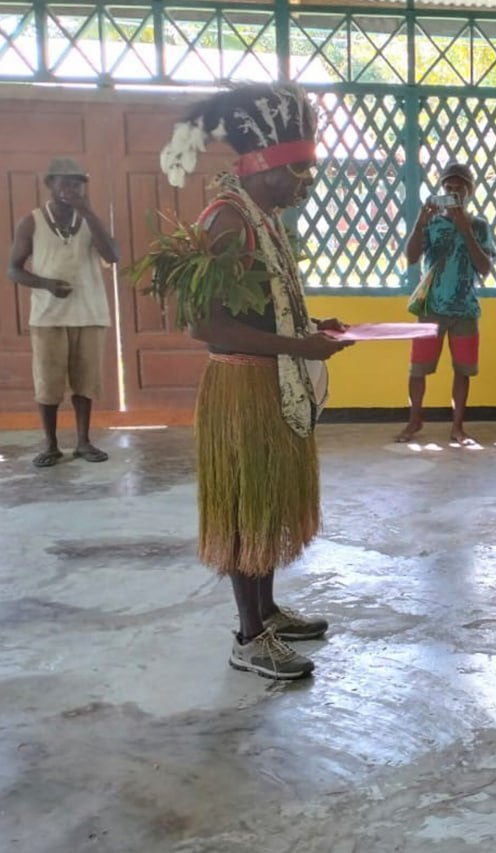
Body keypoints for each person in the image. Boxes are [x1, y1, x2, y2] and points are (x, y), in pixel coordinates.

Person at [156, 83, 353, 680]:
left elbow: (263, 309)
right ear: (264, 167)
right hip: (242, 390)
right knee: (248, 508)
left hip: (270, 382)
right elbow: (205, 325)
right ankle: (248, 638)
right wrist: (299, 346)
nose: (306, 184)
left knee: (267, 502)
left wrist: (310, 327)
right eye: (298, 171)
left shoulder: (262, 218)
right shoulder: (227, 220)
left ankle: (266, 613)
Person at [8, 157, 119, 468]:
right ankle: (51, 445)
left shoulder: (89, 220)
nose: (71, 188)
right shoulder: (31, 222)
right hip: (48, 317)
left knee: (86, 382)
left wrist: (88, 211)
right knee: (48, 384)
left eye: (78, 183)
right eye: (65, 181)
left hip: (90, 313)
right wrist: (45, 284)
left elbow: (113, 255)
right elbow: (13, 269)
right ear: (50, 184)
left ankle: (83, 442)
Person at [398, 162, 495, 446]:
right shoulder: (432, 223)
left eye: (459, 188)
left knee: (463, 370)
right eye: (448, 187)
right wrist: (420, 222)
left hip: (465, 310)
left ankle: (457, 427)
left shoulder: (479, 226)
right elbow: (411, 257)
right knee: (418, 369)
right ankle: (414, 420)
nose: (452, 192)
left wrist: (465, 230)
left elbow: (484, 268)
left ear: (470, 191)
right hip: (431, 308)